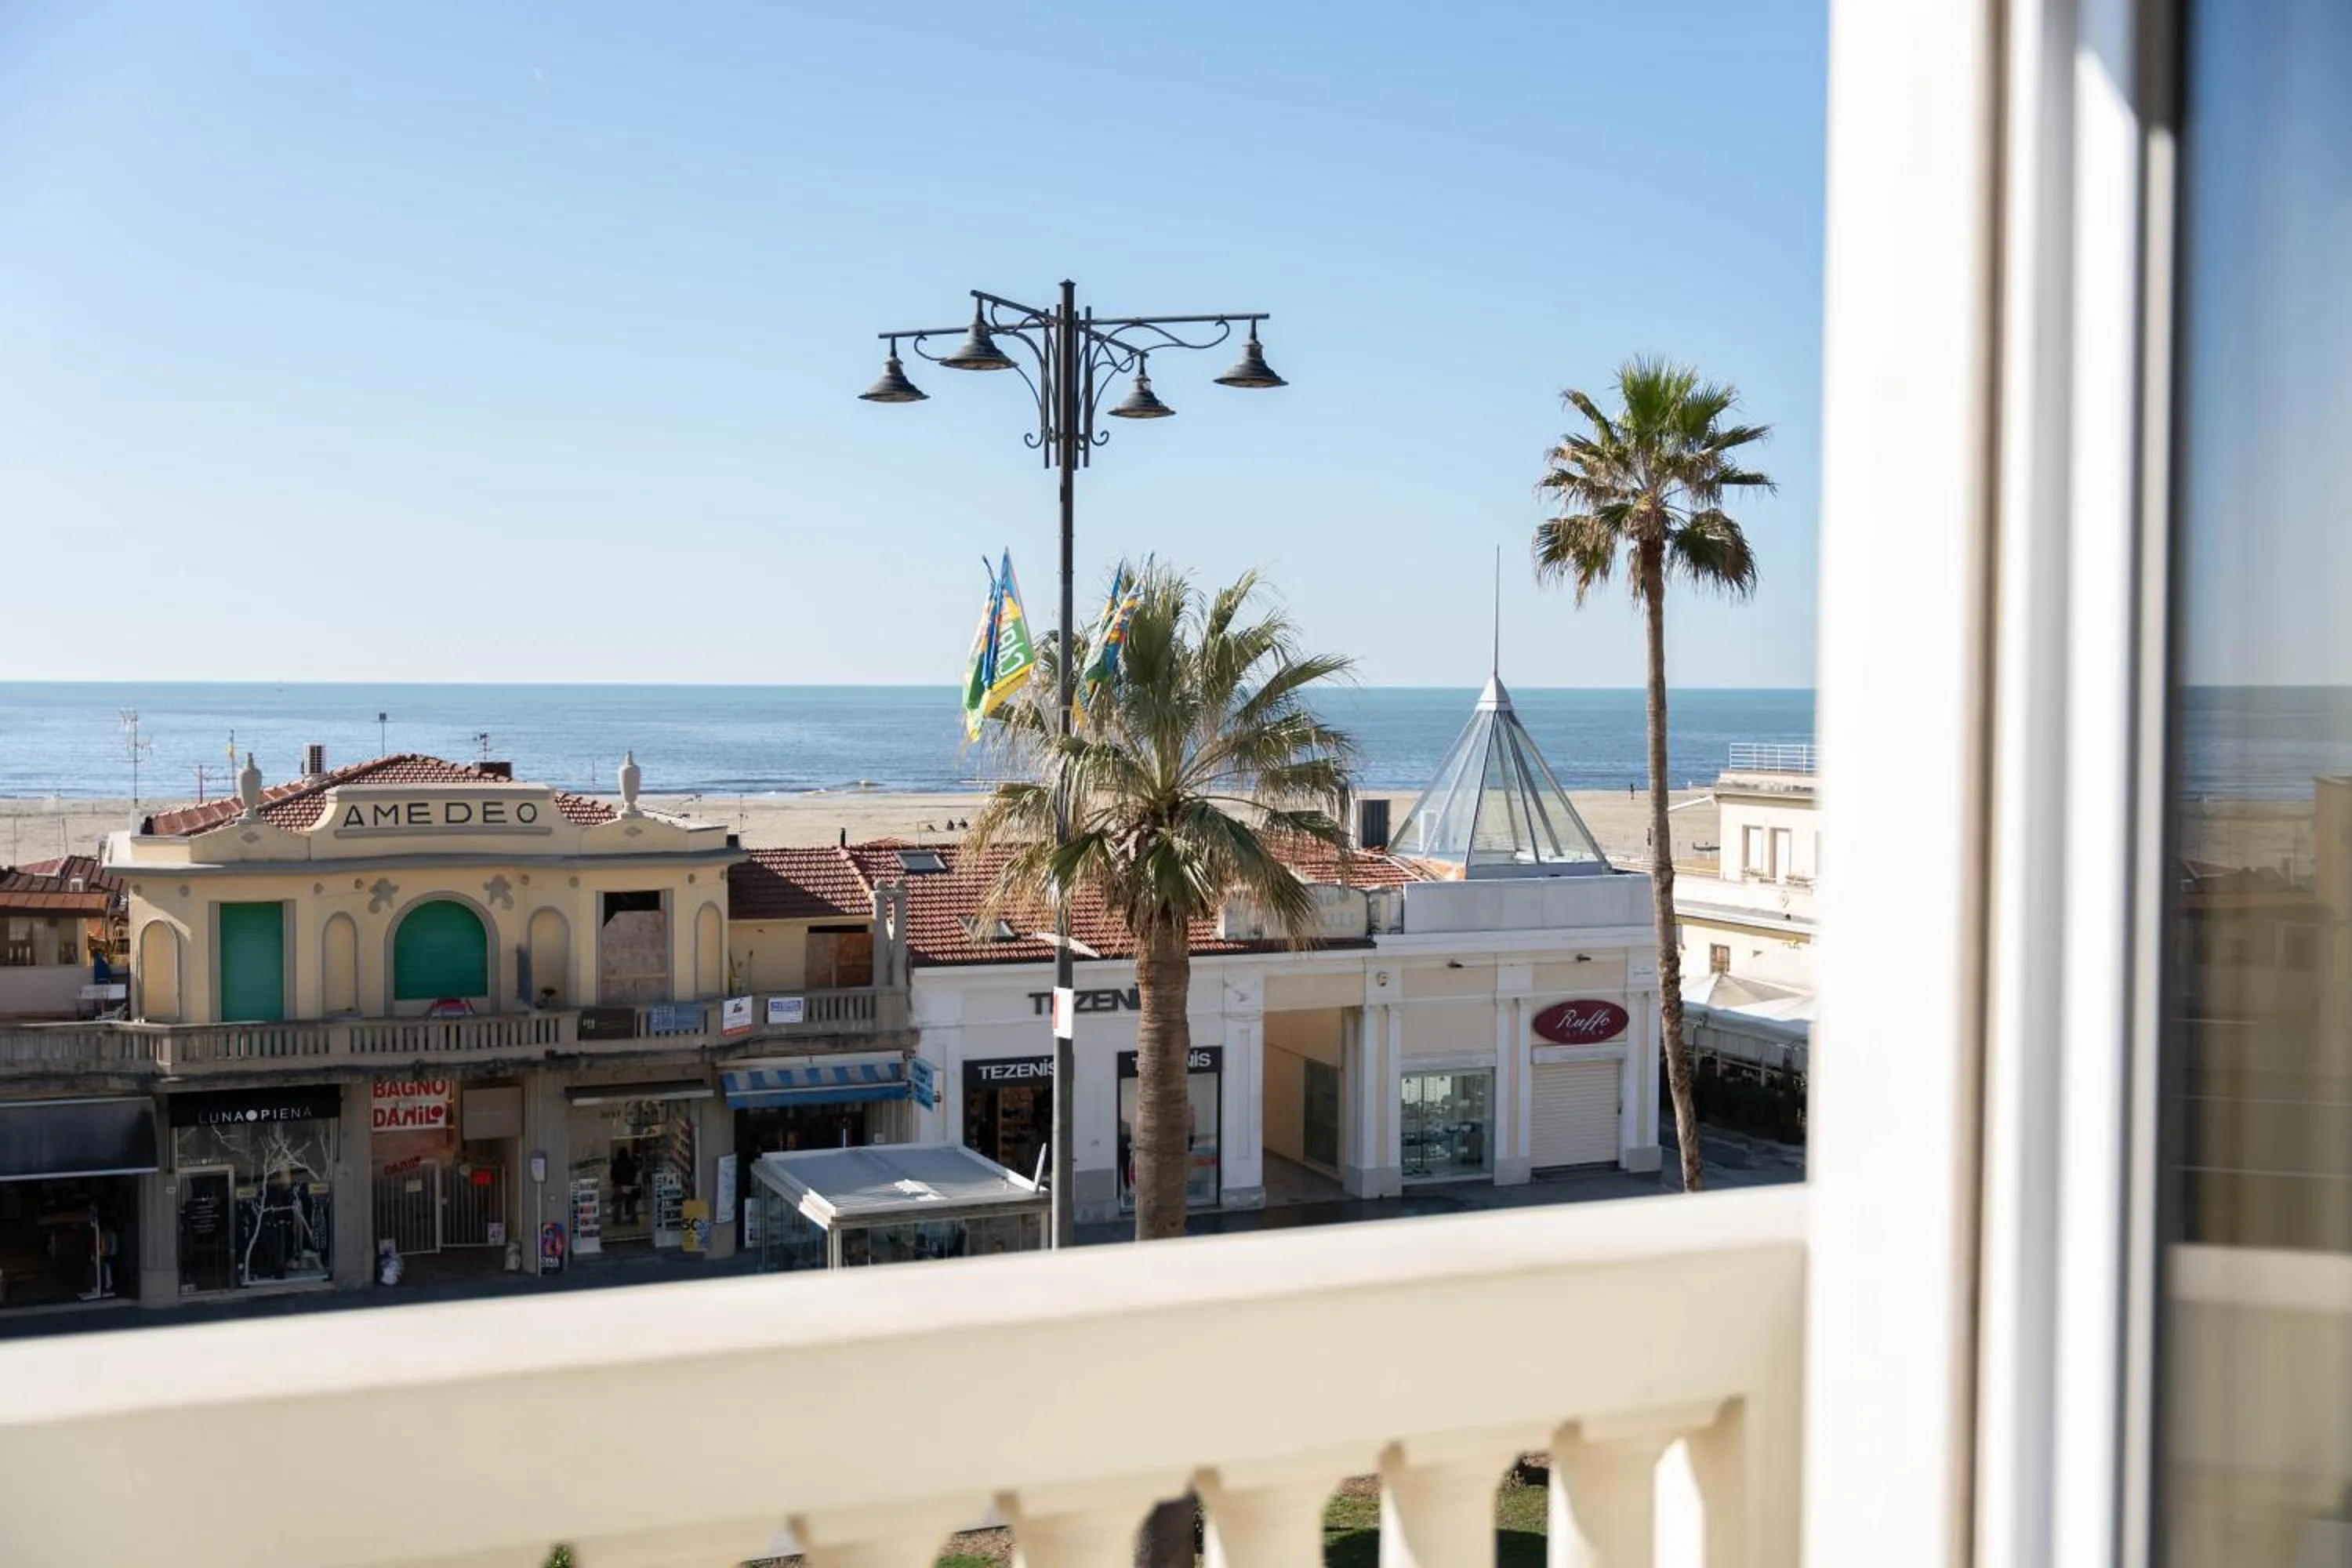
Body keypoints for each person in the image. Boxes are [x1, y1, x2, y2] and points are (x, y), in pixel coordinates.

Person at [609, 1145, 641, 1226]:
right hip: (629, 1186)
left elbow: (612, 1175)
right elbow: (634, 1173)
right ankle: (634, 1219)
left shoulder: (616, 1163)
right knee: (630, 1204)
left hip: (619, 1186)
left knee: (618, 1204)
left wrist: (616, 1181)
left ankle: (616, 1220)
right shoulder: (631, 1163)